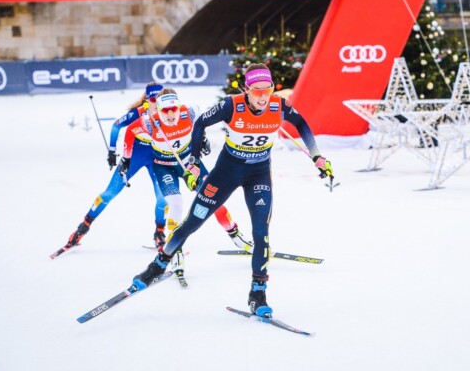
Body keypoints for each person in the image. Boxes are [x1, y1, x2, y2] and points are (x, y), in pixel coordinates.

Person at [128, 63, 334, 318]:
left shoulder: (278, 106)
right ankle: (157, 267)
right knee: (193, 222)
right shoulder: (231, 105)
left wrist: (317, 156)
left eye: (268, 90)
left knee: (261, 232)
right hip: (226, 172)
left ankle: (258, 294)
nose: (263, 96)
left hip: (258, 175)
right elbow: (200, 124)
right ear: (246, 89)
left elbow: (301, 124)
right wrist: (193, 161)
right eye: (257, 91)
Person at [61, 83, 250, 251]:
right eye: (152, 100)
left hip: (160, 159)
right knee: (110, 193)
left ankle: (160, 234)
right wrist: (116, 153)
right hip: (137, 155)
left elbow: (194, 125)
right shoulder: (141, 115)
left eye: (158, 99)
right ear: (148, 100)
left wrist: (201, 141)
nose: (156, 104)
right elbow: (119, 127)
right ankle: (82, 228)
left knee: (164, 200)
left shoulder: (176, 113)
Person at [119, 88, 251, 272]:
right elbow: (129, 131)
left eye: (174, 109)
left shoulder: (189, 112)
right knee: (176, 203)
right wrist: (126, 158)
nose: (170, 115)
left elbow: (201, 124)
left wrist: (202, 140)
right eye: (165, 110)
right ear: (158, 109)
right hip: (164, 166)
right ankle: (175, 250)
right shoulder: (149, 122)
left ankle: (235, 235)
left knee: (213, 198)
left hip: (189, 164)